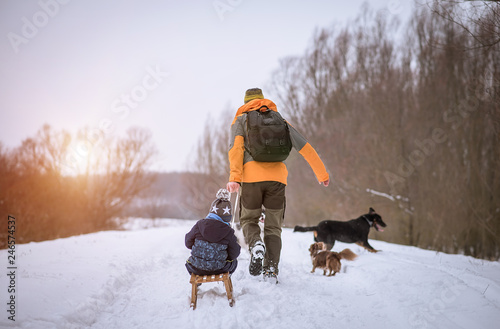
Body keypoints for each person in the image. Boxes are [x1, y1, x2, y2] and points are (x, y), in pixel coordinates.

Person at [226, 88, 330, 280]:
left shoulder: (241, 120)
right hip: (277, 180)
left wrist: (235, 178)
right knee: (274, 227)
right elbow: (305, 147)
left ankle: (256, 244)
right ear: (262, 99)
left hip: (251, 179)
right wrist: (321, 174)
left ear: (246, 102)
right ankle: (271, 268)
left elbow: (236, 149)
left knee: (249, 219)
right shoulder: (280, 120)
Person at [185, 188, 241, 276]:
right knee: (234, 261)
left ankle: (197, 281)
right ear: (228, 217)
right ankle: (227, 277)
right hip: (220, 269)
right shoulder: (228, 231)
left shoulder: (199, 225)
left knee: (188, 262)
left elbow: (188, 242)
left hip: (196, 268)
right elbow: (234, 253)